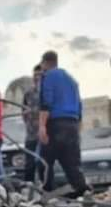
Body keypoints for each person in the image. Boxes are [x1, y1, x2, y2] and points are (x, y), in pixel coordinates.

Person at [38, 50, 89, 195]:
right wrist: (78, 128)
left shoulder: (48, 76)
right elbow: (79, 106)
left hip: (55, 124)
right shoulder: (72, 81)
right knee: (72, 164)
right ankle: (82, 192)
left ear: (45, 63)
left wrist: (42, 127)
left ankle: (48, 192)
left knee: (44, 162)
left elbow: (46, 103)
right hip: (72, 124)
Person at [22, 64, 43, 183]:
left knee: (42, 162)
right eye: (35, 75)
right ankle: (28, 186)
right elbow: (23, 111)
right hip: (31, 135)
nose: (37, 78)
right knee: (29, 164)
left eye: (39, 75)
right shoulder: (28, 93)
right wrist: (29, 122)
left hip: (43, 134)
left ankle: (45, 186)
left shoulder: (47, 92)